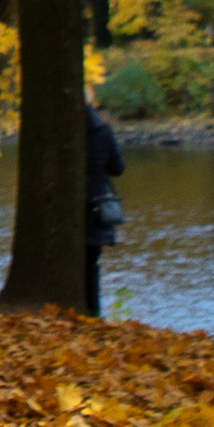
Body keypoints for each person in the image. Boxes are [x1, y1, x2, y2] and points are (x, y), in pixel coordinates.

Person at [85, 95, 126, 315]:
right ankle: (93, 312)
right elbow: (117, 168)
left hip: (71, 209)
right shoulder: (103, 131)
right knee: (91, 263)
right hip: (97, 206)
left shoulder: (63, 131)